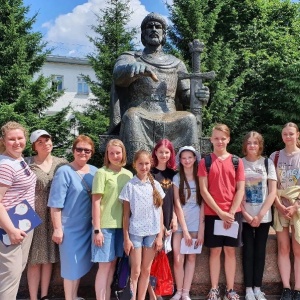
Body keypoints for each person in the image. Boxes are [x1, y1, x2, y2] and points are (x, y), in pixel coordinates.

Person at [109, 12, 209, 163]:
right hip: (141, 112)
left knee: (188, 118)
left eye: (158, 27)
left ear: (164, 34)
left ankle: (186, 172)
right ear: (143, 34)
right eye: (150, 27)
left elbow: (186, 96)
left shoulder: (176, 63)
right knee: (132, 116)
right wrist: (132, 68)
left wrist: (200, 96)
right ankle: (137, 169)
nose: (154, 29)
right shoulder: (131, 57)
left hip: (169, 114)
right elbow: (118, 75)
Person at [198, 124, 245, 300]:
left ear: (228, 139)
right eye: (216, 138)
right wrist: (220, 213)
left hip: (234, 214)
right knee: (215, 252)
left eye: (223, 138)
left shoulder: (236, 161)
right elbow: (204, 190)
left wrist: (230, 213)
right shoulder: (205, 162)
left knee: (231, 252)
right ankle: (215, 288)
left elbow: (240, 189)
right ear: (211, 139)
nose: (219, 141)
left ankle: (231, 289)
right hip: (213, 214)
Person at [48, 135, 97, 300]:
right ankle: (69, 298)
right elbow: (55, 203)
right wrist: (57, 229)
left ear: (91, 153)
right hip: (69, 228)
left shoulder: (95, 171)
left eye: (87, 150)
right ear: (73, 150)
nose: (83, 153)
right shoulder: (64, 171)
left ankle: (74, 295)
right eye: (79, 149)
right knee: (70, 267)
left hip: (88, 227)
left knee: (78, 265)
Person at [26, 129, 68, 300]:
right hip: (34, 216)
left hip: (54, 216)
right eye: (40, 142)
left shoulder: (62, 163)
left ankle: (44, 296)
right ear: (34, 146)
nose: (45, 144)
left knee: (49, 256)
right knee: (34, 259)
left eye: (47, 140)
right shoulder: (27, 163)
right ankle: (33, 297)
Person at [119, 150, 165, 300]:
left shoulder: (156, 185)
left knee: (146, 270)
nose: (144, 167)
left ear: (150, 164)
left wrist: (160, 236)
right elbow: (126, 215)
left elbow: (160, 212)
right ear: (135, 165)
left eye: (146, 163)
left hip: (152, 233)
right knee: (136, 271)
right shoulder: (130, 186)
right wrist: (126, 238)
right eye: (140, 164)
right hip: (135, 233)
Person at [91, 139, 133, 300]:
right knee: (104, 266)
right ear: (107, 155)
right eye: (111, 153)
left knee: (113, 264)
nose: (115, 156)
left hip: (121, 226)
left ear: (123, 154)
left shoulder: (128, 174)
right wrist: (97, 229)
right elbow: (95, 202)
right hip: (105, 226)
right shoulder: (102, 173)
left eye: (118, 152)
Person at [0, 121, 37, 299]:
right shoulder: (5, 165)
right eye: (11, 139)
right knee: (10, 278)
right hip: (9, 228)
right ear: (3, 141)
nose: (17, 142)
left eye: (20, 138)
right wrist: (11, 230)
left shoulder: (18, 159)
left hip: (23, 224)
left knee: (14, 274)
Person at [241, 131, 277, 300]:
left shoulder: (268, 163)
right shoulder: (239, 163)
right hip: (245, 215)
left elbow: (272, 192)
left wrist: (260, 215)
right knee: (248, 251)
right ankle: (248, 289)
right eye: (249, 143)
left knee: (260, 252)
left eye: (255, 142)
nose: (252, 146)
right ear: (245, 145)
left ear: (260, 145)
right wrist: (246, 214)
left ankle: (257, 288)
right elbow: (236, 192)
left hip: (263, 216)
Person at [270, 122, 300, 300]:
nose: (287, 137)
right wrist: (279, 206)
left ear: (297, 135)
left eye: (291, 134)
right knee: (283, 248)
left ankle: (298, 288)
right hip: (280, 205)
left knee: (298, 249)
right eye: (285, 134)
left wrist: (295, 205)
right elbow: (271, 185)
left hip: (297, 207)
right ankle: (286, 288)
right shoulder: (275, 156)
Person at [171, 146, 204, 300]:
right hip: (181, 222)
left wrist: (202, 229)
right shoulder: (177, 178)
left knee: (191, 258)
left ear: (195, 158)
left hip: (197, 221)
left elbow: (204, 204)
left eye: (189, 157)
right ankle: (178, 291)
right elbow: (176, 203)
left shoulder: (201, 176)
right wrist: (183, 229)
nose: (187, 160)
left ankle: (186, 292)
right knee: (178, 258)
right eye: (183, 158)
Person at [148, 139, 178, 300]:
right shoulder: (150, 173)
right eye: (161, 152)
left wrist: (173, 218)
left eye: (167, 152)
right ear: (155, 153)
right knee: (151, 260)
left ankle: (158, 290)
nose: (164, 155)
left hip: (167, 219)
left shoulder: (173, 174)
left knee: (162, 258)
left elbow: (173, 199)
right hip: (153, 221)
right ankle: (153, 295)